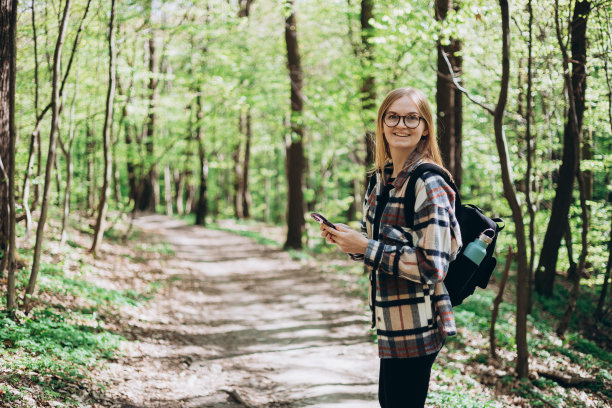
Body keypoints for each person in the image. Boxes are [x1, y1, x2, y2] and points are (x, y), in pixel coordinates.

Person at [320, 87, 462, 408]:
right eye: (393, 116)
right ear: (382, 124)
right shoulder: (380, 180)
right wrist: (349, 241)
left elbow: (433, 266)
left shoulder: (428, 182)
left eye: (413, 117)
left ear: (425, 127)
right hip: (389, 321)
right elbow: (376, 245)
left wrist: (367, 248)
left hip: (419, 323)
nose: (402, 124)